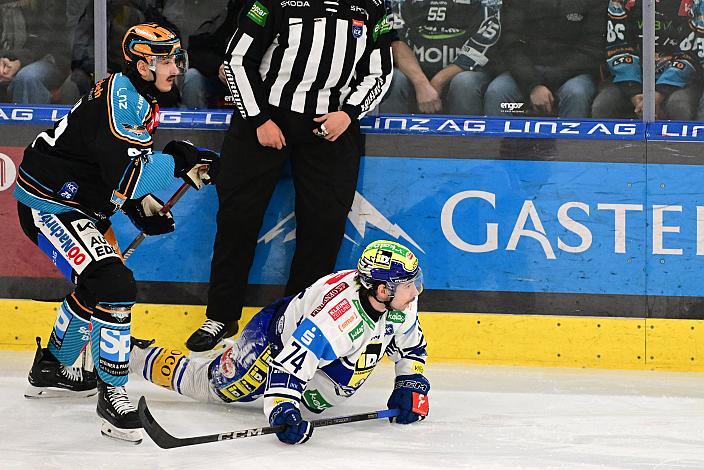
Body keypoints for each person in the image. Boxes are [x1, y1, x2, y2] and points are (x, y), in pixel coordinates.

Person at [13, 23, 217, 444]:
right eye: (165, 60)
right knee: (114, 283)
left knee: (100, 282)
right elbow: (130, 171)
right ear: (141, 64)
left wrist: (139, 206)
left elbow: (110, 171)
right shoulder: (123, 102)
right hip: (50, 203)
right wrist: (178, 159)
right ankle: (113, 395)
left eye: (176, 58)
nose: (175, 68)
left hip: (75, 200)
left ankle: (54, 365)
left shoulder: (137, 94)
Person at [186, 0, 395, 351]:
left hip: (331, 126)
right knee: (237, 217)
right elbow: (237, 60)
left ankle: (296, 320)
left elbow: (380, 72)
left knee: (323, 227)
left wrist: (349, 113)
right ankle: (221, 315)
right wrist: (258, 119)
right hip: (265, 119)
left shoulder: (372, 7)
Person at [132, 240, 429, 445]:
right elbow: (289, 367)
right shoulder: (335, 320)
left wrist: (409, 382)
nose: (415, 292)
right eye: (407, 285)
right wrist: (282, 409)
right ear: (380, 289)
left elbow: (411, 345)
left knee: (318, 402)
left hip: (321, 350)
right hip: (271, 343)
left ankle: (230, 353)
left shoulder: (399, 302)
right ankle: (132, 354)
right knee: (209, 385)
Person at [484, 0, 605, 118]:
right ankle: (497, 138)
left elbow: (591, 50)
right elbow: (511, 45)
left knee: (576, 93)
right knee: (497, 92)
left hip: (573, 73)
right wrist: (533, 84)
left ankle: (570, 139)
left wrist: (544, 80)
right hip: (526, 72)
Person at [379, 0, 502, 115]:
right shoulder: (407, 6)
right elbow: (397, 42)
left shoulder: (483, 8)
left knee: (464, 82)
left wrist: (438, 82)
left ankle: (467, 137)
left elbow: (480, 48)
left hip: (464, 77)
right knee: (393, 78)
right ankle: (391, 137)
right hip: (416, 78)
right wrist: (421, 84)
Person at [593, 0, 704, 120]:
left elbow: (690, 53)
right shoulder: (622, 2)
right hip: (628, 79)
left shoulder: (694, 3)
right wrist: (634, 92)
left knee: (679, 105)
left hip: (679, 81)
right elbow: (618, 47)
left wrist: (659, 93)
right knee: (603, 105)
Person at [180, 0, 244, 108]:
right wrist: (221, 65)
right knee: (192, 77)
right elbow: (198, 50)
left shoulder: (269, 12)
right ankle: (195, 123)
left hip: (253, 80)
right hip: (220, 78)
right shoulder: (231, 13)